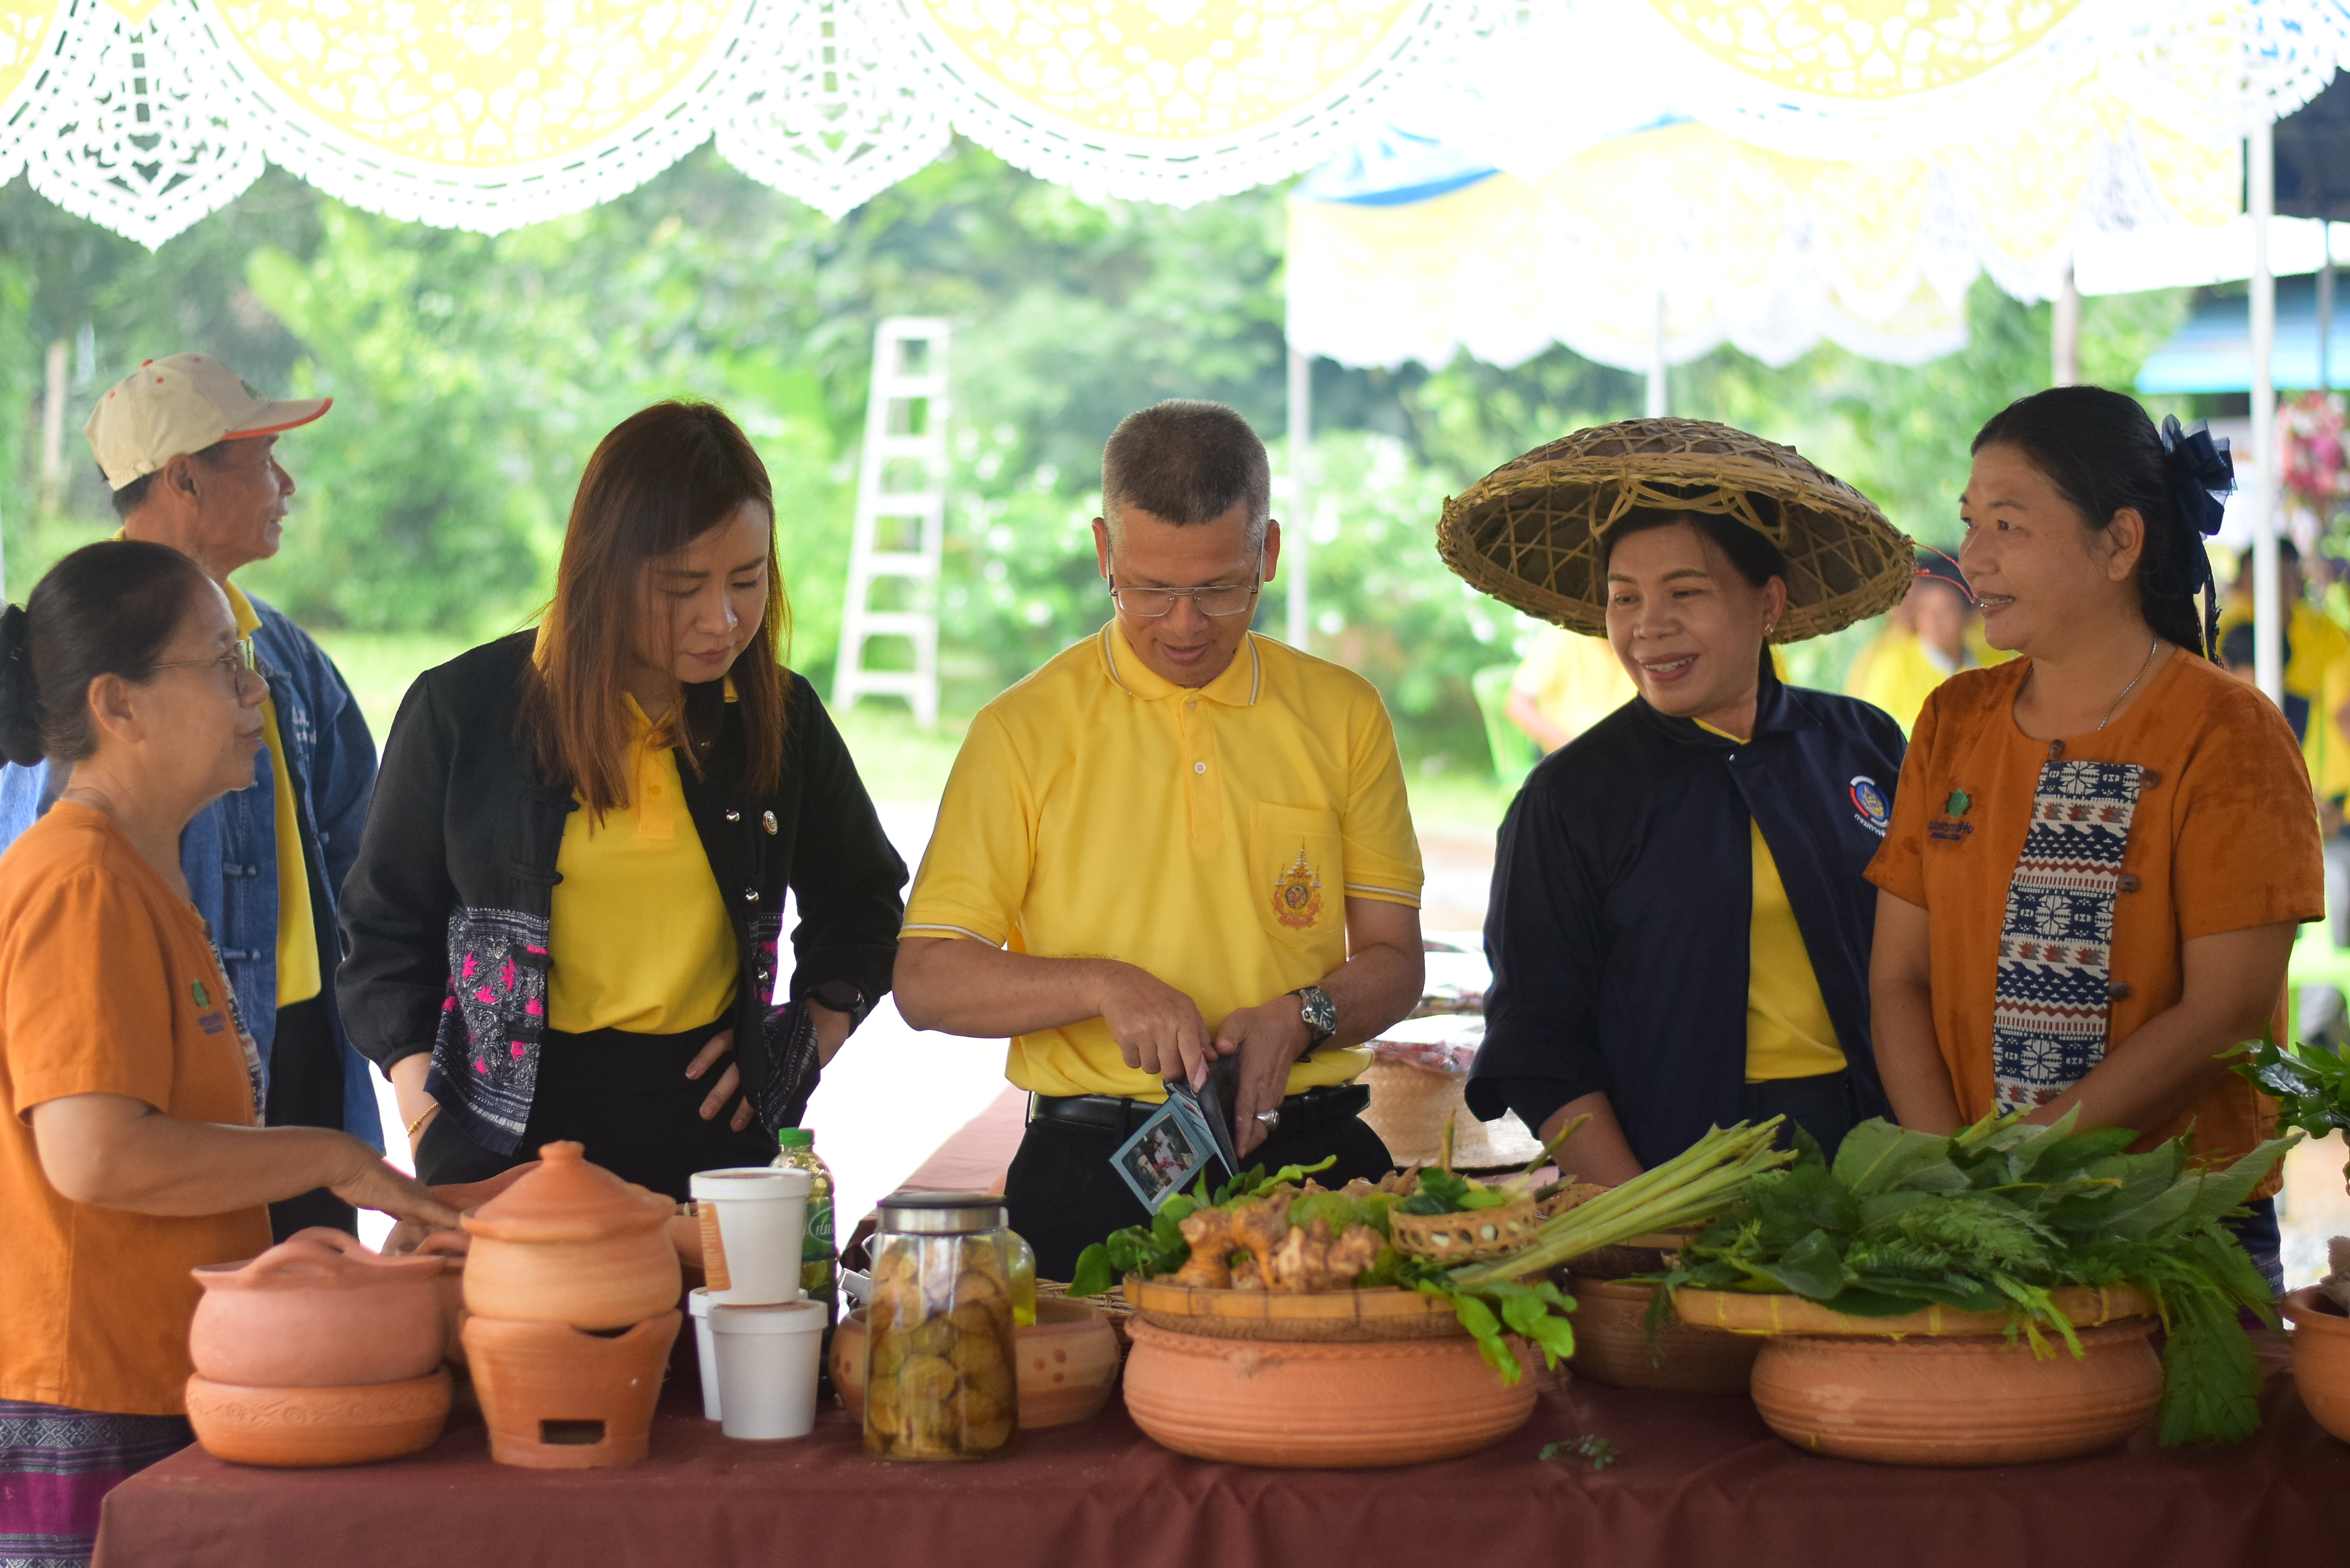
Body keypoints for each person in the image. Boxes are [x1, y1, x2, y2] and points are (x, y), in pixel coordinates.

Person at [891, 400, 1426, 1278]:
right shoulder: (1022, 731)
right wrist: (1103, 985)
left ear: (1269, 554)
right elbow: (926, 979)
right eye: (1149, 590)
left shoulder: (1343, 715)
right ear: (1105, 553)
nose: (1184, 625)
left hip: (1311, 1163)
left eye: (1219, 589)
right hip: (1093, 1173)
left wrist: (1304, 1017)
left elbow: (1394, 960)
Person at [0, 541, 452, 1568]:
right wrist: (332, 1161)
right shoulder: (80, 882)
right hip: (84, 1400)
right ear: (120, 706)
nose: (257, 688)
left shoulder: (141, 873)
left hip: (160, 1378)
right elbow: (97, 1157)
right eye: (221, 662)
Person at [337, 402, 905, 1205]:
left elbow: (865, 901)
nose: (725, 618)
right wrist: (423, 1110)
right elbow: (383, 932)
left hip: (709, 1126)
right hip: (497, 1132)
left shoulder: (777, 714)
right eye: (684, 588)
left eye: (749, 579)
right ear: (603, 569)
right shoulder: (464, 710)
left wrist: (804, 1041)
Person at [1868, 387, 2324, 1290]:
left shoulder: (2228, 732)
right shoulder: (1952, 720)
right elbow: (1898, 978)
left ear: (2119, 541)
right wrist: (1949, 1176)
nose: (1973, 558)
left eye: (2008, 524)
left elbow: (2225, 1014)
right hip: (1975, 1214)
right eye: (1970, 522)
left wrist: (2022, 1163)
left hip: (2179, 1224)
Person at [1458, 420, 1913, 1179]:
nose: (1648, 628)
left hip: (1877, 1149)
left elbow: (1930, 966)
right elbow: (1539, 1037)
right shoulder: (1570, 798)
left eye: (1685, 592)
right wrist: (1637, 1208)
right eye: (1624, 598)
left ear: (1768, 602)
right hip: (1677, 1162)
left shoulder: (1860, 744)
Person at [0, 354, 381, 1240]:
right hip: (148, 1084)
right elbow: (94, 1140)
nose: (286, 484)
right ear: (184, 478)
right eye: (262, 459)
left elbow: (367, 859)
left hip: (299, 1047)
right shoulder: (79, 663)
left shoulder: (286, 654)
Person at [1846, 555, 1984, 735]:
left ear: (1970, 617)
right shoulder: (1893, 664)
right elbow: (1874, 732)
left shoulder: (1994, 663)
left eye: (1946, 611)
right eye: (1927, 611)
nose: (1935, 622)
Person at [1504, 625, 1637, 753]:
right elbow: (1518, 704)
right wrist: (1572, 748)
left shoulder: (1640, 643)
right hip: (1569, 753)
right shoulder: (1560, 638)